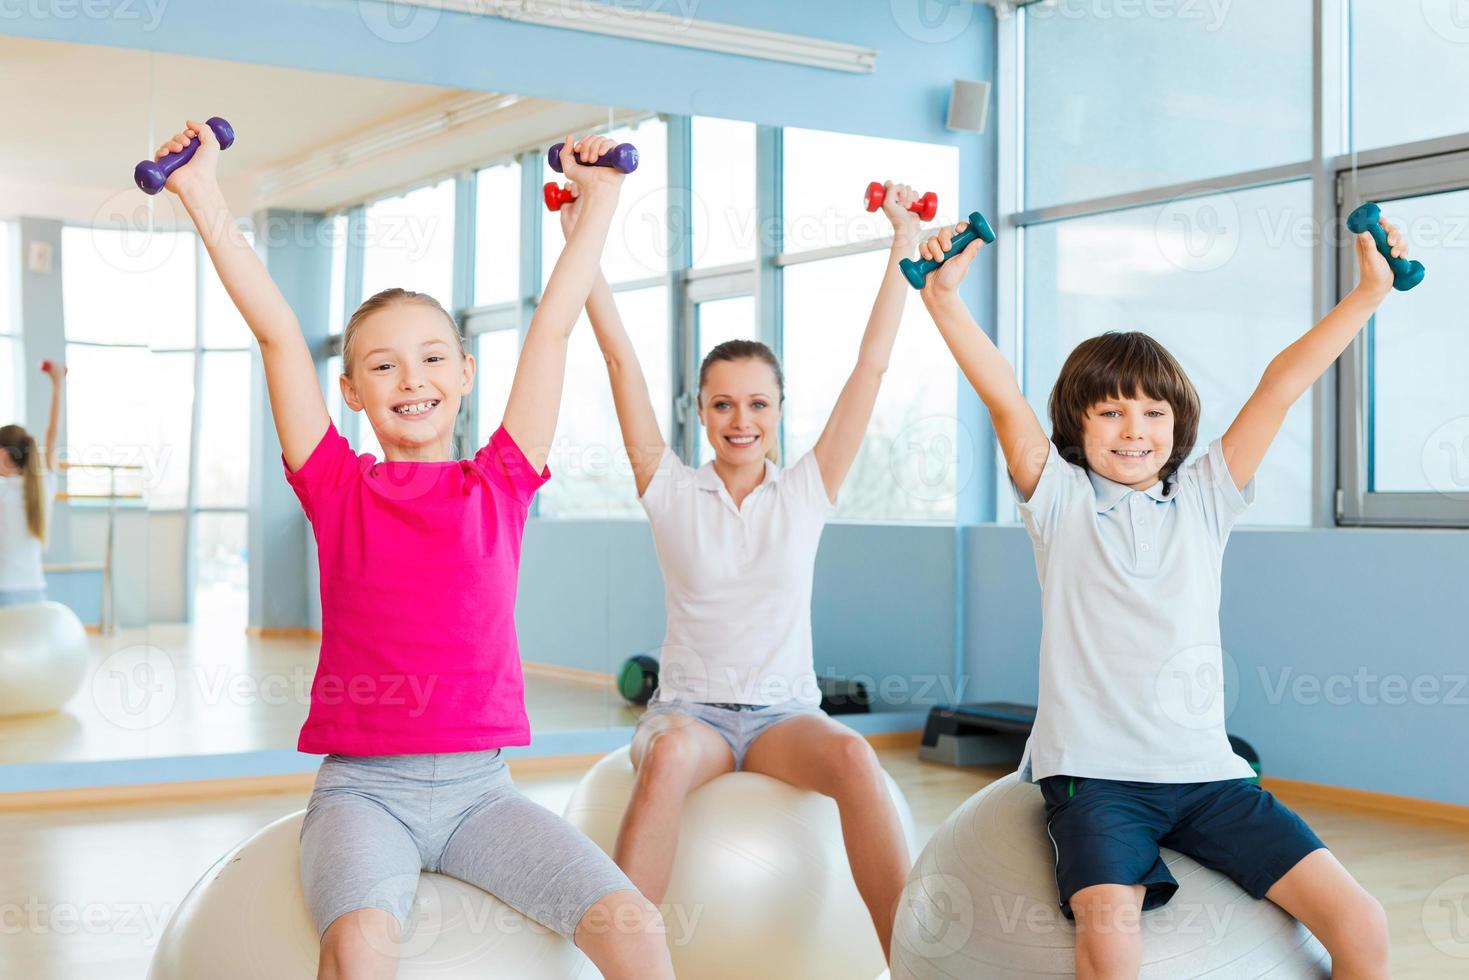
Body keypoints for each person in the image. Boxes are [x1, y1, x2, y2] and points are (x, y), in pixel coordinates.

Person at [155, 119, 673, 980]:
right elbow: (280, 335)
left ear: (467, 374)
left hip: (483, 795)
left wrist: (600, 206)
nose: (412, 379)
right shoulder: (335, 486)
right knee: (359, 951)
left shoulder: (500, 483)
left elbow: (550, 332)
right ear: (351, 391)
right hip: (365, 794)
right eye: (383, 367)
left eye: (433, 357)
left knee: (635, 926)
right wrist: (204, 196)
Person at [915, 213, 1399, 979]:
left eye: (1152, 413)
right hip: (1097, 782)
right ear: (1077, 425)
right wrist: (942, 299)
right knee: (1109, 948)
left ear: (1178, 425)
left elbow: (1280, 384)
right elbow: (1002, 396)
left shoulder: (1206, 497)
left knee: (1361, 924)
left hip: (1209, 777)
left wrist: (1367, 292)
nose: (1132, 430)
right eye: (1108, 411)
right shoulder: (1059, 501)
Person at [556, 178, 924, 961]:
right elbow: (620, 360)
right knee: (665, 760)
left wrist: (902, 242)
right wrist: (578, 237)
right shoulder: (668, 488)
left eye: (757, 404)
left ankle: (909, 963)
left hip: (784, 716)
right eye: (723, 405)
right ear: (699, 410)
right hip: (691, 713)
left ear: (779, 411)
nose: (741, 421)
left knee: (856, 758)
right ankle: (621, 963)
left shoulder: (807, 490)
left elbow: (870, 368)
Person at [0, 361, 65, 607]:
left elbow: (51, 433)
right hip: (36, 596)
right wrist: (58, 383)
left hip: (3, 595)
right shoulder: (44, 484)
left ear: (4, 455)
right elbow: (53, 433)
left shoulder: (3, 490)